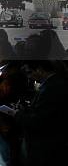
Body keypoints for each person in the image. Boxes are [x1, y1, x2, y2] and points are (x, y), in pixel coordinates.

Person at [15, 35, 68, 166]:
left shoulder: (51, 87)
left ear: (39, 69)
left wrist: (18, 114)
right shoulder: (53, 82)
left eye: (31, 73)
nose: (31, 77)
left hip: (46, 147)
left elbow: (38, 120)